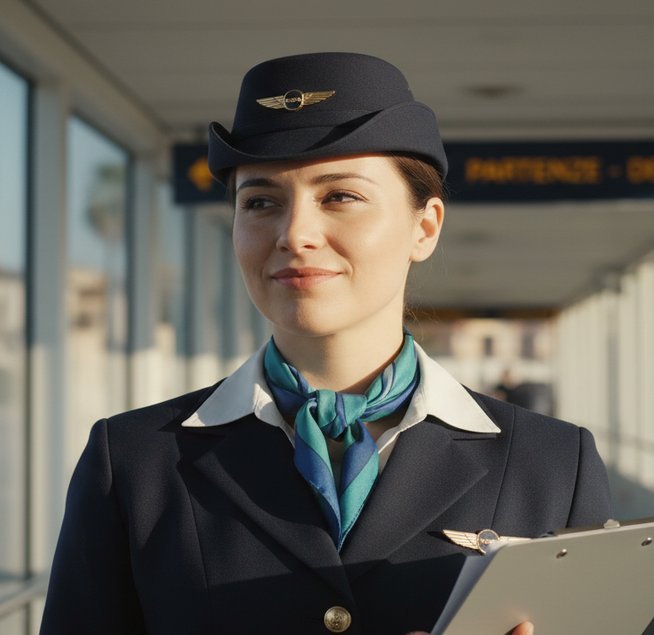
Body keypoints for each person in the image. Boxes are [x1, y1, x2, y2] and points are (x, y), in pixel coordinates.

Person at [40, 52, 611, 634]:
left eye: (340, 196)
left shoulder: (554, 465)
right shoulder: (134, 462)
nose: (295, 235)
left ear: (425, 227)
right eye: (260, 202)